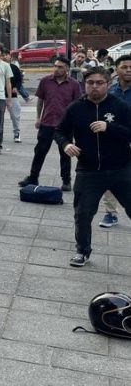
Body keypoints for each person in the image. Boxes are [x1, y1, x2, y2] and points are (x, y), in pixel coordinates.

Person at [55, 66, 131, 268]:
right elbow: (59, 131)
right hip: (88, 170)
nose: (95, 87)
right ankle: (82, 251)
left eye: (99, 83)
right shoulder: (75, 108)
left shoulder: (120, 106)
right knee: (82, 213)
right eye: (90, 83)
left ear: (108, 84)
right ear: (84, 84)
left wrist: (110, 127)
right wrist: (66, 144)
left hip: (120, 168)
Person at [18, 56, 81, 192]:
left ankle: (66, 180)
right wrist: (38, 118)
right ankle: (33, 177)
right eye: (55, 66)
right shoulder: (46, 81)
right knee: (40, 151)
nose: (57, 69)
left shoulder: (74, 84)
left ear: (67, 69)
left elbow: (78, 104)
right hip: (47, 122)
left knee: (65, 153)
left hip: (65, 125)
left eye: (60, 67)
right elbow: (40, 100)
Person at [99, 55, 131, 228]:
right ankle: (110, 213)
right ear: (117, 69)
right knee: (110, 176)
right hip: (113, 140)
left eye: (130, 67)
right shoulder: (110, 91)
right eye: (124, 67)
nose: (128, 70)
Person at [3, 52, 23, 143]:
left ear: (10, 57)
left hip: (12, 95)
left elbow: (19, 80)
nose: (4, 56)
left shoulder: (14, 68)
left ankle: (16, 133)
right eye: (2, 55)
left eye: (6, 55)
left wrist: (16, 87)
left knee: (15, 115)